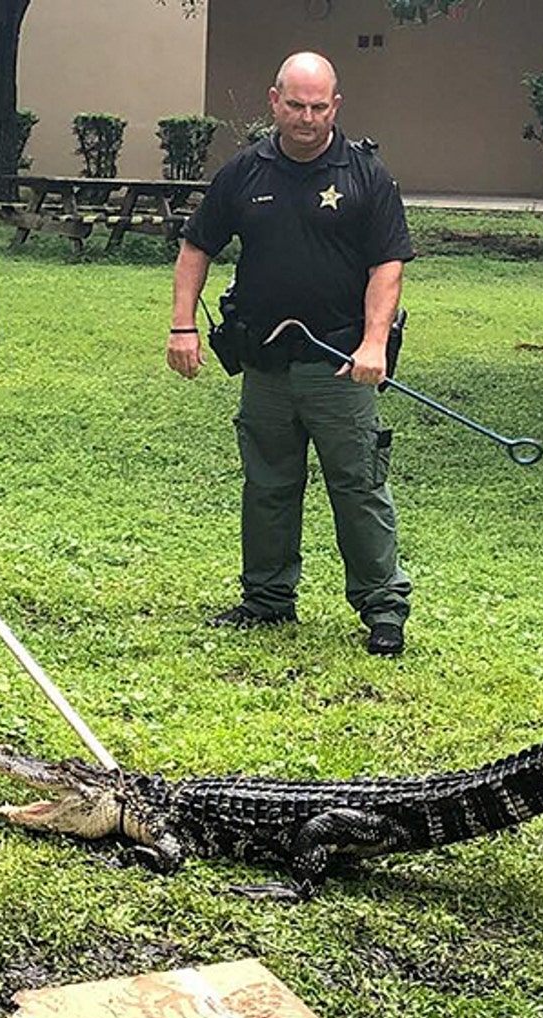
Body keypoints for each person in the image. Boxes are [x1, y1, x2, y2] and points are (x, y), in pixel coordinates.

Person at [167, 51, 414, 656]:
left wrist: (374, 343)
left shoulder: (365, 175)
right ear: (274, 101)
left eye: (319, 106)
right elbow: (197, 246)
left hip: (341, 365)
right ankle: (268, 600)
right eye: (296, 105)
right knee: (268, 484)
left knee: (358, 486)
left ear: (337, 105)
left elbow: (389, 265)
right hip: (266, 364)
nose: (307, 118)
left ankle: (383, 608)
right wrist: (182, 327)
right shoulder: (245, 173)